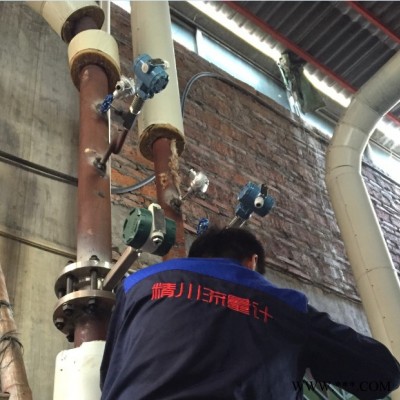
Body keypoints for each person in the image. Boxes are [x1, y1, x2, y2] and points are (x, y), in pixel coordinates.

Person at [100, 227, 400, 400]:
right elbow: (384, 373)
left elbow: (109, 376)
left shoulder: (137, 285)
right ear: (251, 262)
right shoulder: (286, 306)